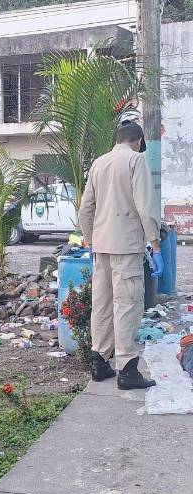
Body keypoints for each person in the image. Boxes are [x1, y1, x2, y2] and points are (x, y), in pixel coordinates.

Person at [78, 121, 163, 390]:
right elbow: (145, 207)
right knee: (127, 305)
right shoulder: (136, 160)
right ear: (138, 141)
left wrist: (91, 242)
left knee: (102, 304)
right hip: (126, 247)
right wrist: (156, 246)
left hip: (101, 247)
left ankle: (100, 363)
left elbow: (85, 210)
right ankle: (127, 370)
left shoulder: (99, 163)